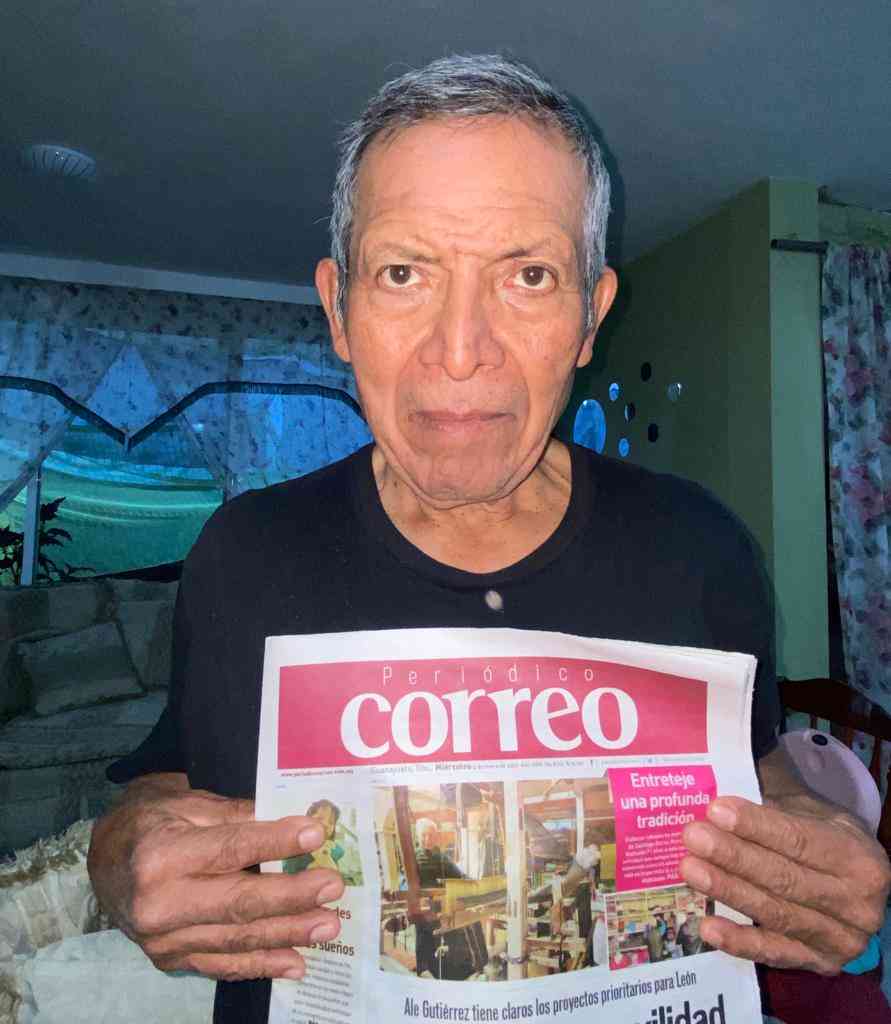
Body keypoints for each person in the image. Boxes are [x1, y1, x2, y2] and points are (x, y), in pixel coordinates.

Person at [87, 53, 891, 1023]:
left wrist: (807, 822)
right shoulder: (246, 552)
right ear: (338, 309)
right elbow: (173, 781)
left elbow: (752, 760)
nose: (459, 349)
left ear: (590, 317)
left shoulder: (701, 548)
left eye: (528, 275)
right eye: (403, 273)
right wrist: (120, 858)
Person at [281, 799, 343, 874]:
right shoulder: (294, 850)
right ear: (307, 821)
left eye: (331, 822)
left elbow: (339, 855)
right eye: (319, 818)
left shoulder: (332, 847)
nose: (326, 824)